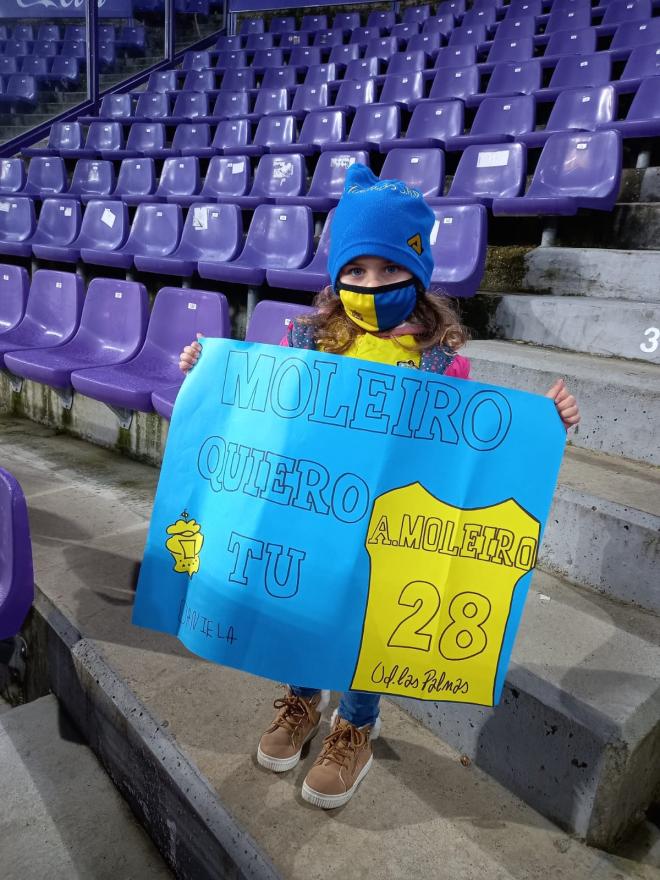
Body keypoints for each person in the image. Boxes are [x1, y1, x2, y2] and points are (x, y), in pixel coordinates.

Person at [178, 164, 581, 810]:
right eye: (356, 271)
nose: (372, 285)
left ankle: (356, 725)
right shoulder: (308, 340)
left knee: (370, 625)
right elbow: (265, 407)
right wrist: (207, 372)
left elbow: (474, 447)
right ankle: (303, 703)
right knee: (307, 610)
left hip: (386, 524)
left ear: (417, 274)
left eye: (389, 270)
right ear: (336, 275)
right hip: (317, 516)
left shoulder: (442, 360)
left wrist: (546, 425)